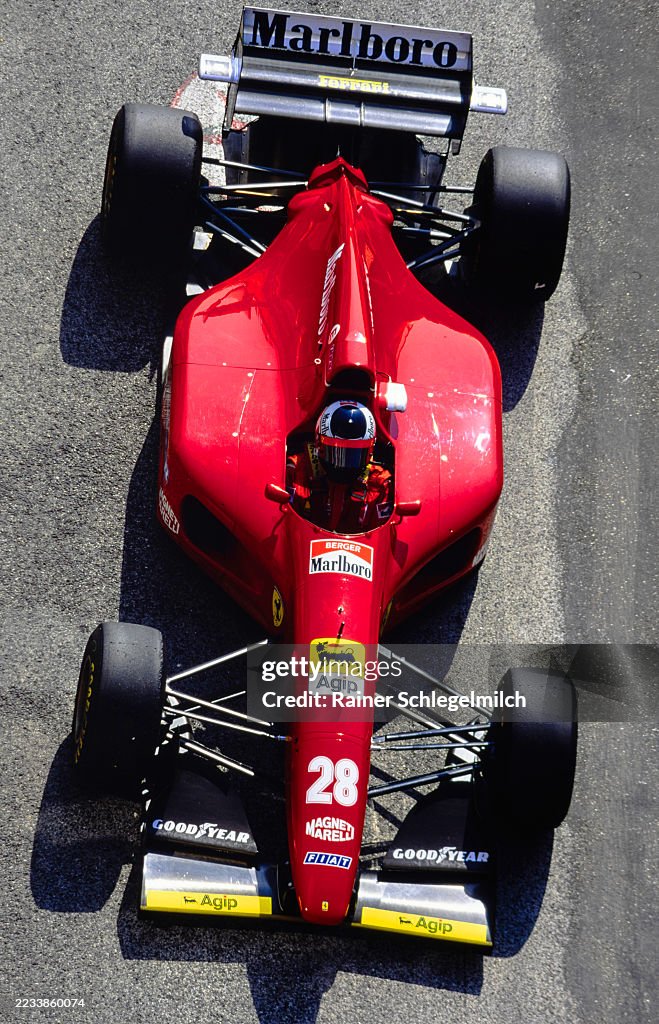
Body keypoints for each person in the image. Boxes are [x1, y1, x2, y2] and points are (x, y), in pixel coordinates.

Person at [287, 401, 393, 533]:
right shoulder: (298, 471)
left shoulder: (379, 483)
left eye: (354, 455)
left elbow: (383, 535)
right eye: (336, 453)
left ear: (371, 450)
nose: (344, 465)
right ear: (319, 445)